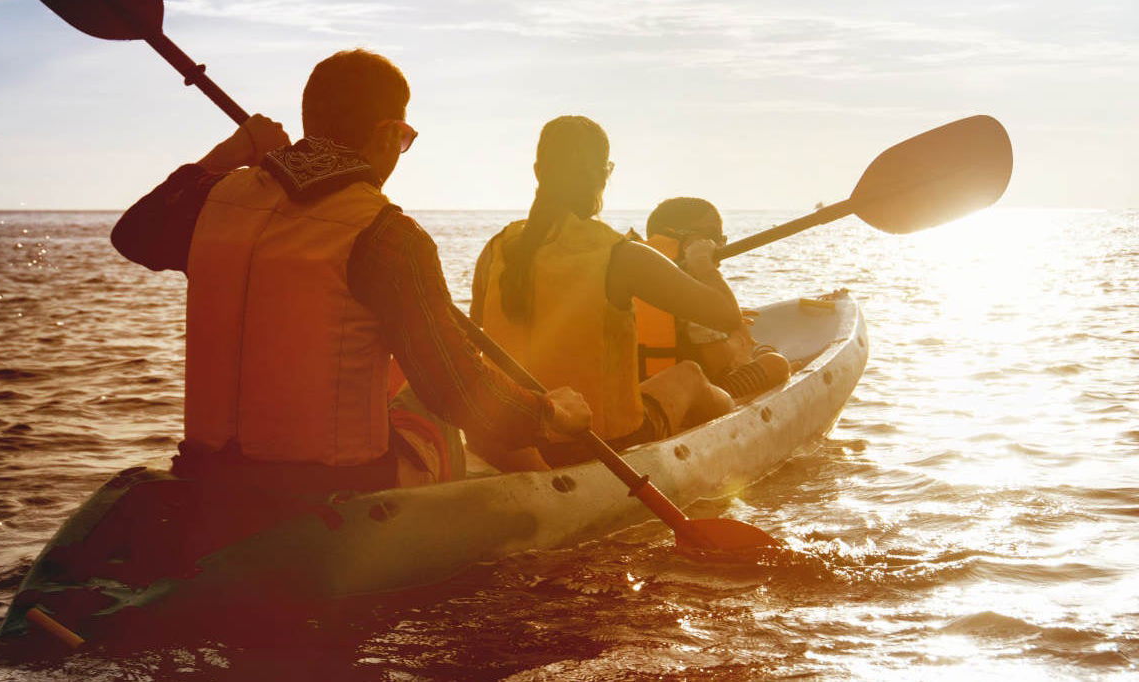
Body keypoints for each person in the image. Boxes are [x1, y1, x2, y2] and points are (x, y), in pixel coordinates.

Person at [110, 49, 591, 494]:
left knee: (395, 360)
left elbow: (132, 234)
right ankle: (555, 496)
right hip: (331, 488)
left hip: (207, 476)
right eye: (404, 139)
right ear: (386, 133)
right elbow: (456, 389)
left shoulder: (212, 201)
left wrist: (230, 153)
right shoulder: (387, 234)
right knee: (423, 391)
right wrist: (547, 415)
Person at [470, 115, 744, 470]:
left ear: (539, 171)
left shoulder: (496, 249)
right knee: (690, 375)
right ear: (604, 174)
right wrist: (704, 264)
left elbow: (479, 325)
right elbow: (726, 316)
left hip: (514, 440)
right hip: (599, 444)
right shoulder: (620, 254)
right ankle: (741, 420)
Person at [635, 198, 791, 400]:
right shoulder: (691, 287)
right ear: (680, 239)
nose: (717, 245)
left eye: (720, 238)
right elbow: (717, 361)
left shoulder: (635, 270)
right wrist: (738, 343)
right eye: (710, 236)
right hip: (687, 395)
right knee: (776, 363)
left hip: (638, 388)